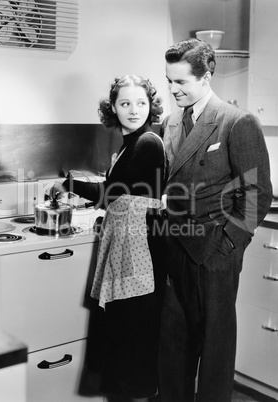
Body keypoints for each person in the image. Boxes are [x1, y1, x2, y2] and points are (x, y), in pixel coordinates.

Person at [158, 38, 272, 402]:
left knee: (215, 348)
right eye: (169, 81)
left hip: (214, 251)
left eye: (181, 82)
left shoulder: (237, 122)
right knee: (173, 344)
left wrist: (227, 246)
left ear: (206, 76)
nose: (173, 90)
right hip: (176, 245)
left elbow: (257, 194)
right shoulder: (170, 122)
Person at [50, 74, 168, 402]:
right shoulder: (129, 145)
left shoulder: (148, 143)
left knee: (134, 339)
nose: (133, 110)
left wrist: (68, 185)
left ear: (151, 106)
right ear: (113, 108)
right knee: (124, 337)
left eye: (141, 103)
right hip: (130, 245)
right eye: (125, 103)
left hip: (141, 250)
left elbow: (113, 193)